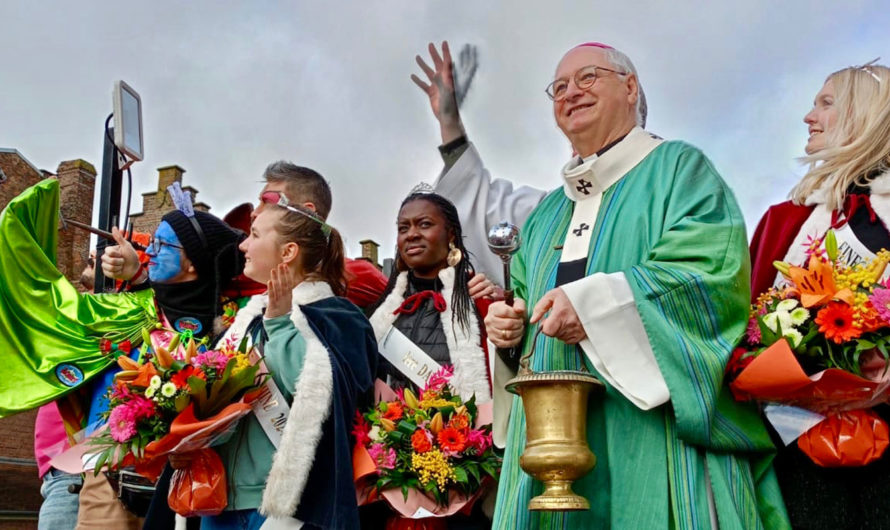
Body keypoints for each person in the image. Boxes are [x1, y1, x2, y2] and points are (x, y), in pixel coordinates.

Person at [479, 42, 789, 528]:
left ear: (630, 87)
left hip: (648, 427)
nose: (570, 93)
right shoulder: (545, 215)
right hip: (548, 438)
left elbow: (708, 273)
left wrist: (596, 307)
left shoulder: (679, 169)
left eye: (587, 78)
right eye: (558, 87)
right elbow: (520, 298)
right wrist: (508, 328)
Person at [748, 61, 890, 530]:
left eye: (826, 103)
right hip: (797, 436)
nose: (809, 117)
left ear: (865, 115)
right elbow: (745, 328)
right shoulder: (782, 221)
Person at [199, 190, 377, 530]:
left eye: (254, 235)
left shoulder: (339, 316)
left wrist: (280, 325)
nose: (242, 246)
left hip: (288, 507)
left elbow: (329, 396)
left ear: (288, 252)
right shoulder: (245, 318)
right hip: (219, 498)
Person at [363, 191, 493, 529]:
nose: (412, 234)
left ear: (451, 235)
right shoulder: (378, 311)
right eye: (403, 227)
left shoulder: (479, 303)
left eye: (424, 224)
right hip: (387, 466)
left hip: (462, 473)